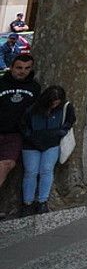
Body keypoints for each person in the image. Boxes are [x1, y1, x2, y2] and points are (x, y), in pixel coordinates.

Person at [18, 85, 73, 215]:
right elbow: (23, 125)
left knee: (46, 170)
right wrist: (30, 136)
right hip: (32, 143)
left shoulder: (65, 107)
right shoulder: (33, 109)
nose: (54, 105)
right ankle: (27, 202)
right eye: (52, 102)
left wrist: (60, 132)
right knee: (31, 171)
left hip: (52, 142)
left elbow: (70, 121)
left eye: (57, 102)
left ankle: (42, 200)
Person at [0, 52, 41, 197]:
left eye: (27, 68)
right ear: (12, 67)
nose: (22, 71)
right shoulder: (1, 83)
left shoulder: (34, 87)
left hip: (15, 134)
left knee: (6, 165)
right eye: (19, 67)